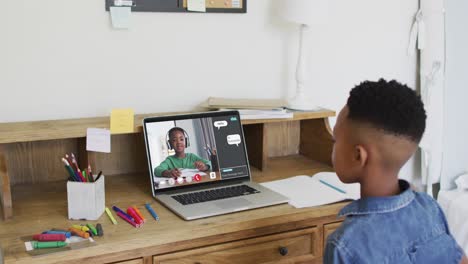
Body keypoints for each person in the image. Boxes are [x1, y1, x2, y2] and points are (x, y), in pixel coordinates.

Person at [324, 79, 468, 263]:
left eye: (336, 139)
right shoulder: (429, 207)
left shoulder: (345, 245)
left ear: (358, 156)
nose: (333, 145)